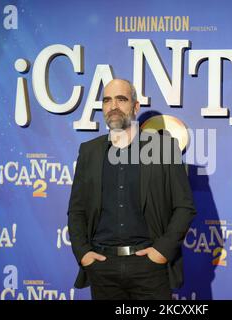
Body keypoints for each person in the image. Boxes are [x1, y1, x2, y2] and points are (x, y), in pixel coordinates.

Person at [67, 78, 196, 300]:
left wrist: (161, 252)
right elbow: (76, 210)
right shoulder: (89, 151)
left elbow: (184, 207)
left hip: (149, 268)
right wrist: (84, 253)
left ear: (135, 107)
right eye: (107, 100)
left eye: (121, 99)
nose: (113, 106)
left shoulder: (163, 148)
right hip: (102, 268)